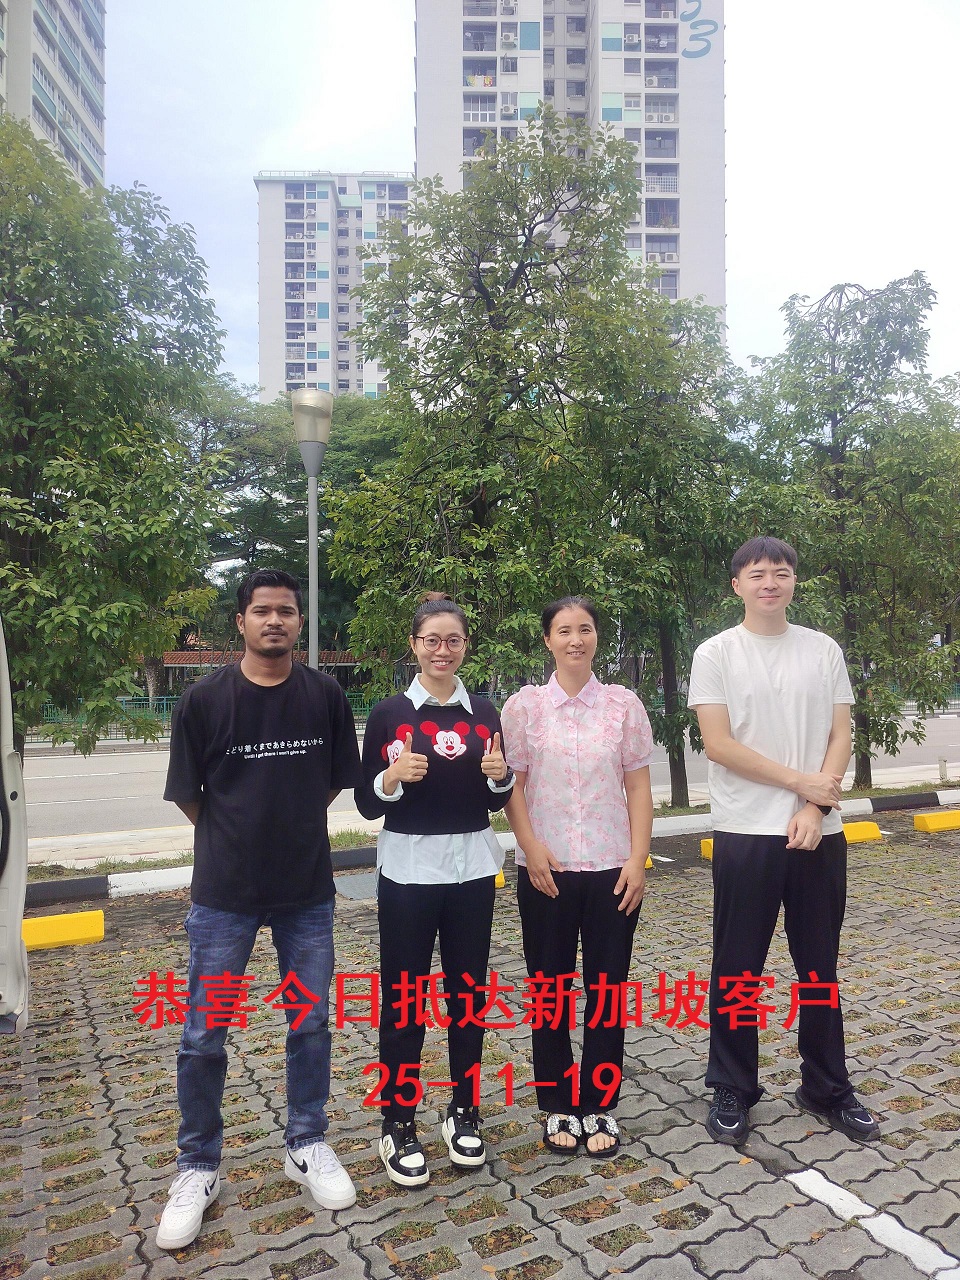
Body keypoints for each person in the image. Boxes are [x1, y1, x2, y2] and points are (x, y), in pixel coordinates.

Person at [157, 569, 363, 1251]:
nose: (275, 621)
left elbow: (332, 782)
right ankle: (197, 1166)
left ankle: (306, 1142)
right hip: (225, 895)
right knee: (203, 1034)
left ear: (300, 622)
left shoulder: (325, 695)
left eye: (287, 612)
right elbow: (191, 795)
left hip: (306, 890)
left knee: (310, 1022)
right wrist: (235, 835)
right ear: (241, 621)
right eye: (262, 611)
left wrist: (286, 827)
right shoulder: (204, 700)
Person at [688, 536, 879, 1146]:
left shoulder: (823, 650)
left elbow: (841, 734)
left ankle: (826, 1087)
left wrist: (815, 807)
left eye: (780, 572)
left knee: (818, 966)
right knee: (737, 966)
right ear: (737, 585)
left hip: (818, 832)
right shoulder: (716, 653)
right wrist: (802, 785)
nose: (769, 582)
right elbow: (719, 744)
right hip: (746, 830)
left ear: (794, 581)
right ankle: (732, 1087)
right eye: (757, 573)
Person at [355, 594, 514, 1187]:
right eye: (431, 641)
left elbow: (496, 795)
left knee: (468, 995)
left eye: (453, 640)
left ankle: (463, 1109)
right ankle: (397, 1120)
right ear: (414, 646)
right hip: (409, 872)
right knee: (404, 999)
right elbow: (366, 802)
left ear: (465, 645)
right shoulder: (389, 714)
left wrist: (502, 777)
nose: (442, 651)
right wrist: (391, 777)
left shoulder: (485, 713)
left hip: (471, 868)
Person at [501, 596, 654, 1158]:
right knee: (551, 990)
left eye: (584, 629)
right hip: (548, 871)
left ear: (596, 637)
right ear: (548, 640)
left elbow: (637, 785)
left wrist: (638, 859)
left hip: (613, 869)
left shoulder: (622, 706)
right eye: (563, 630)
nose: (575, 640)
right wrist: (530, 848)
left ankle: (599, 1103)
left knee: (607, 991)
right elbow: (512, 785)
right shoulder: (525, 708)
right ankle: (558, 1102)